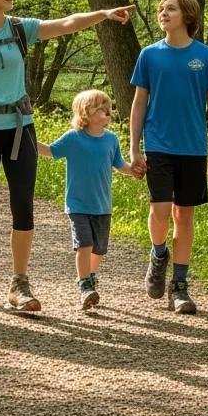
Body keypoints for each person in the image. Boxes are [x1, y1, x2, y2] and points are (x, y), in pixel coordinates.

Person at [0, 0, 134, 312]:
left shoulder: (21, 29)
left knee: (23, 207)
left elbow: (67, 23)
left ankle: (20, 282)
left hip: (21, 131)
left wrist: (104, 14)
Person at [129, 0, 208, 315]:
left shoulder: (206, 56)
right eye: (160, 9)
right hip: (158, 145)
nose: (163, 13)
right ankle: (158, 255)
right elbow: (139, 102)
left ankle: (180, 287)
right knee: (161, 210)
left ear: (187, 15)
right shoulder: (149, 55)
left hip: (193, 148)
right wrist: (134, 147)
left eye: (170, 8)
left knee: (184, 215)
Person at [38, 89, 135, 310]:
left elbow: (121, 165)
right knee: (85, 244)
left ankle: (91, 277)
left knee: (98, 249)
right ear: (85, 113)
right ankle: (84, 285)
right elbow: (51, 151)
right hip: (78, 205)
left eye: (108, 107)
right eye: (100, 108)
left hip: (102, 206)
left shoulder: (111, 140)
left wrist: (137, 170)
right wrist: (28, 139)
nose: (106, 111)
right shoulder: (74, 138)